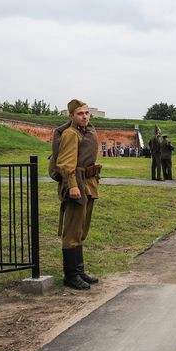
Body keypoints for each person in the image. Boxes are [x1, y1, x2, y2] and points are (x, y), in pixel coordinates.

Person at [56, 99, 102, 290]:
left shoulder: (85, 131)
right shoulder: (70, 134)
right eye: (80, 113)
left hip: (88, 184)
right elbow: (66, 163)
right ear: (71, 116)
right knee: (73, 231)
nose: (84, 116)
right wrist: (72, 186)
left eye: (86, 113)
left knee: (82, 229)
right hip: (76, 185)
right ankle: (71, 275)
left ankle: (79, 271)